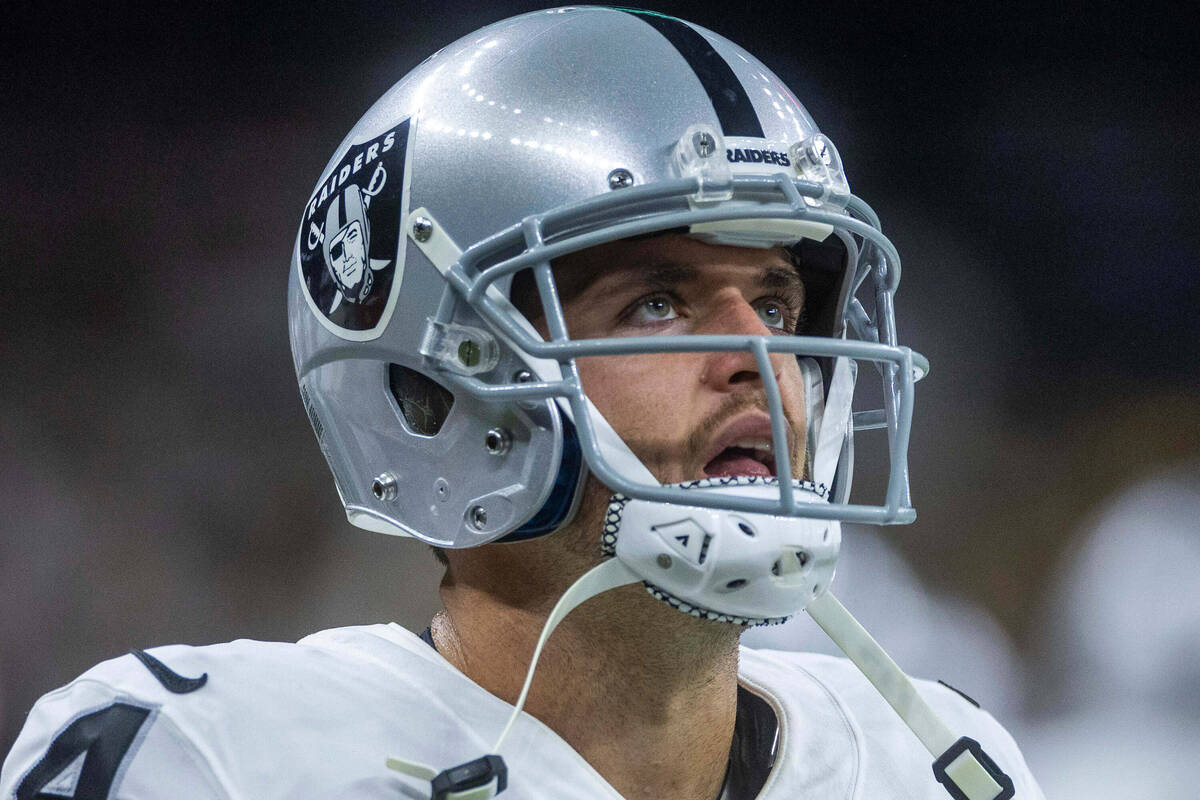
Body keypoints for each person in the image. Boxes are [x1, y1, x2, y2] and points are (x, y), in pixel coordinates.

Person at [0, 8, 1042, 799]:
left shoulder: (935, 763)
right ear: (435, 382)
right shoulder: (217, 758)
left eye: (776, 296)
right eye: (660, 301)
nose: (762, 358)